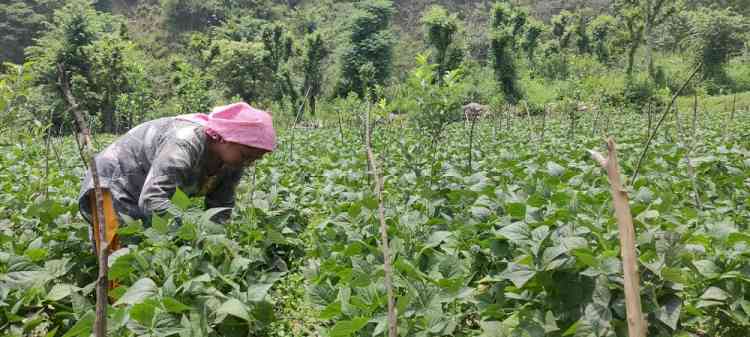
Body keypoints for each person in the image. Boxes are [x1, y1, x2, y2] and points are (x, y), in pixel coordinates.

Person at [78, 102, 276, 251]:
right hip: (116, 181)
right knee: (123, 257)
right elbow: (152, 199)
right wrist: (194, 227)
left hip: (145, 187)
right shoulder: (185, 142)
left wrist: (218, 242)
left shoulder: (233, 161)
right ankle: (115, 306)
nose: (248, 163)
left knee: (152, 253)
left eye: (254, 159)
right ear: (226, 138)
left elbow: (221, 206)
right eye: (246, 155)